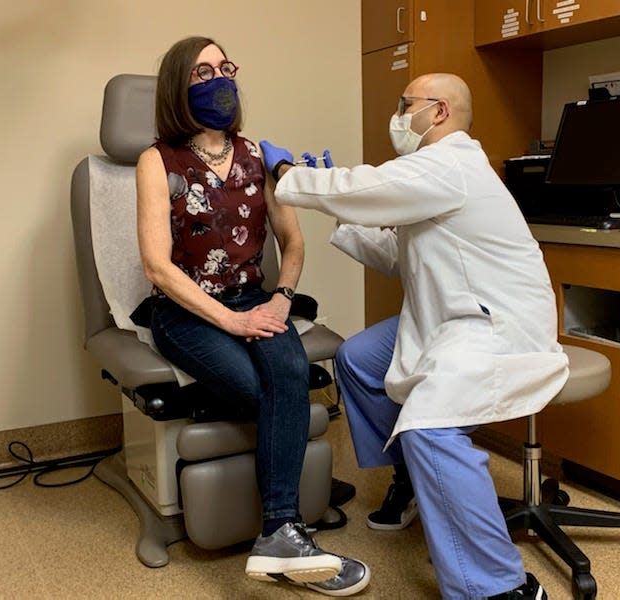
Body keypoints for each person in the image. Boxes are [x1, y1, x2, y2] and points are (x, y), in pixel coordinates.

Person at [259, 73, 570, 599]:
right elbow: (401, 256)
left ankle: (500, 587)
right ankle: (411, 482)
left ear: (440, 112)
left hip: (497, 325)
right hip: (450, 317)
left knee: (431, 426)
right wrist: (343, 214)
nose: (399, 114)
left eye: (406, 105)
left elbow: (366, 188)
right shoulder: (435, 175)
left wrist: (290, 175)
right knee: (358, 358)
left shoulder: (450, 163)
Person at [135, 36, 369, 597]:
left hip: (256, 299)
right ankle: (289, 509)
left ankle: (281, 532)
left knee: (287, 375)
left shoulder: (258, 156)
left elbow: (292, 241)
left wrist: (280, 300)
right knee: (256, 389)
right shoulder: (156, 161)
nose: (219, 79)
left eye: (224, 67)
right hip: (185, 309)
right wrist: (232, 323)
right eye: (202, 72)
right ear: (178, 87)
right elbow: (156, 268)